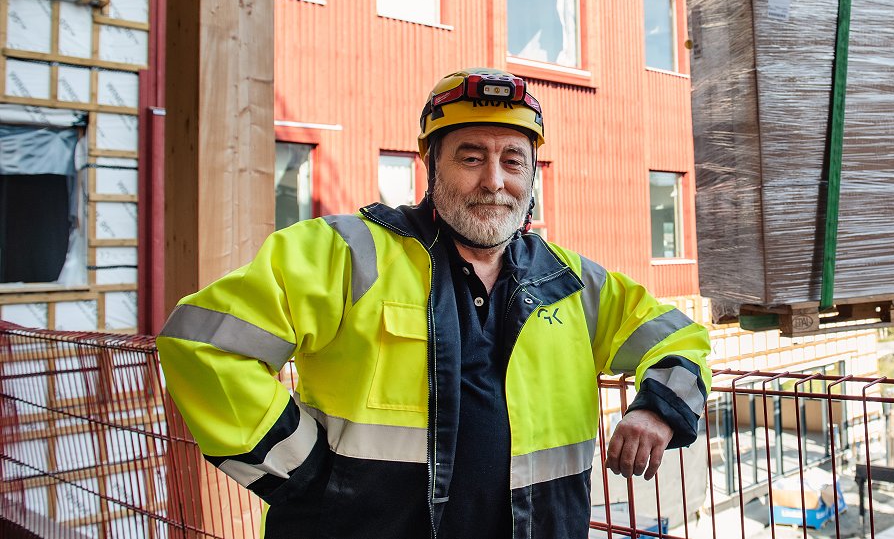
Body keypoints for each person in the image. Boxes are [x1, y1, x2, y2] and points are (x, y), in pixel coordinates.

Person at [156, 68, 712, 539]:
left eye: (513, 161)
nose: (494, 181)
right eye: (471, 157)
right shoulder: (346, 253)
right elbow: (204, 345)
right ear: (430, 165)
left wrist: (656, 407)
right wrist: (305, 475)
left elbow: (679, 336)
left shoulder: (569, 279)